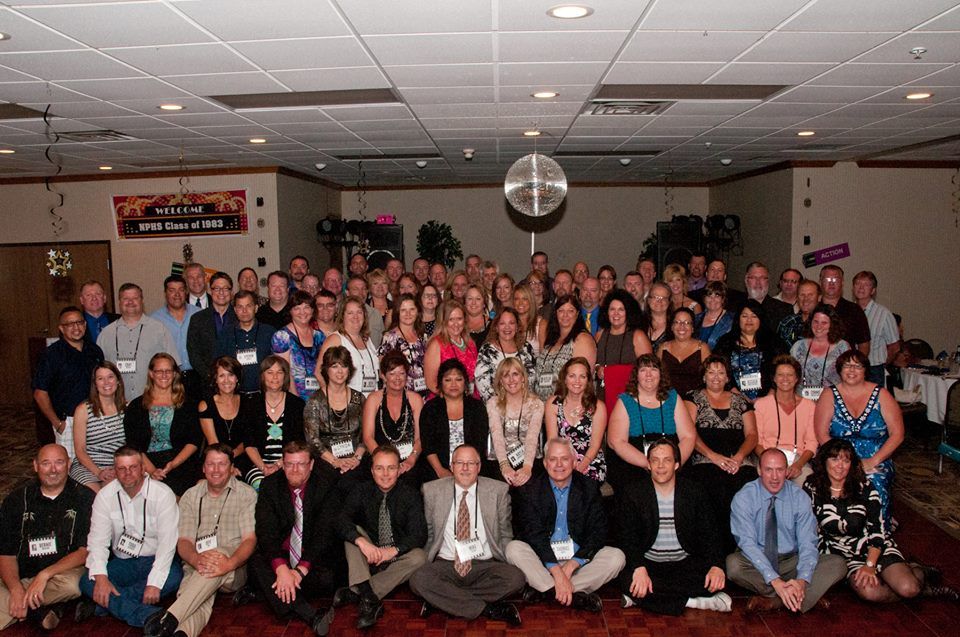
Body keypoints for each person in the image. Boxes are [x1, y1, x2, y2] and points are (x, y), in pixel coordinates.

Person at [803, 439, 958, 603]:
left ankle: (918, 572)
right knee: (871, 593)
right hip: (841, 553)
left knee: (909, 588)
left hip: (873, 546)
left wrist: (870, 565)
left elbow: (878, 529)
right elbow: (807, 526)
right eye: (834, 459)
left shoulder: (865, 486)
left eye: (846, 460)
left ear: (852, 464)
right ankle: (926, 589)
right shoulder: (812, 486)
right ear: (824, 461)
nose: (840, 465)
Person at [147, 444, 257, 637]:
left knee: (217, 557)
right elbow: (184, 541)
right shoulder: (190, 496)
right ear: (203, 468)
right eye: (211, 464)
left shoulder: (246, 494)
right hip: (195, 565)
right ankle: (182, 633)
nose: (216, 470)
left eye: (222, 464)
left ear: (231, 468)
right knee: (200, 596)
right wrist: (196, 560)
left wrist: (228, 563)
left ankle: (171, 616)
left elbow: (249, 540)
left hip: (233, 569)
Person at [408, 444, 525, 625]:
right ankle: (487, 609)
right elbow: (430, 533)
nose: (465, 468)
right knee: (418, 580)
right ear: (451, 466)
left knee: (516, 579)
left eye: (471, 463)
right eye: (460, 462)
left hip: (484, 564)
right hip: (446, 563)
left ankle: (444, 600)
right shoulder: (432, 491)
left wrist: (503, 560)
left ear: (479, 467)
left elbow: (505, 533)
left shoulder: (498, 491)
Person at [506, 438, 625, 612]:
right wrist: (555, 570)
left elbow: (598, 532)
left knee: (616, 557)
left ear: (574, 461)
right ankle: (572, 594)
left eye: (565, 458)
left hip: (577, 562)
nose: (559, 464)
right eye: (553, 459)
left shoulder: (589, 487)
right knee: (513, 549)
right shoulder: (530, 489)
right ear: (545, 463)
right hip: (543, 560)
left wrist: (570, 567)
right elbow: (533, 535)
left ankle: (548, 591)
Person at [617, 439, 731, 615]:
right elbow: (627, 537)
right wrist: (639, 568)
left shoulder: (694, 492)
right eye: (655, 460)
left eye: (667, 460)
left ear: (677, 464)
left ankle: (644, 598)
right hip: (650, 564)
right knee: (626, 580)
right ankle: (694, 603)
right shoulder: (634, 493)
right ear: (648, 464)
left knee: (714, 579)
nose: (660, 466)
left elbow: (710, 532)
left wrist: (717, 565)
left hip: (684, 564)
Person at [726, 448, 847, 613]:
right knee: (733, 565)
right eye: (769, 470)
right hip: (758, 560)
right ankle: (801, 597)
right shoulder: (744, 497)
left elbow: (808, 543)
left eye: (780, 470)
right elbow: (747, 544)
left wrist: (802, 580)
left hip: (791, 561)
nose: (775, 477)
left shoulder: (799, 497)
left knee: (837, 564)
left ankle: (778, 601)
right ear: (759, 470)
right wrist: (775, 581)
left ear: (786, 470)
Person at [79, 447, 182, 628]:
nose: (128, 473)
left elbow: (167, 545)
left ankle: (103, 604)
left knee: (174, 576)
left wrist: (154, 583)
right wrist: (102, 580)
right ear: (115, 470)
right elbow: (97, 541)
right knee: (88, 580)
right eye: (122, 468)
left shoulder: (163, 494)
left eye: (133, 467)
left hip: (155, 560)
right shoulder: (104, 496)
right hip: (124, 562)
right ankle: (147, 615)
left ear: (143, 468)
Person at [245, 441, 336, 636]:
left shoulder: (326, 484)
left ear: (311, 464)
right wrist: (282, 569)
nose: (294, 470)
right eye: (289, 464)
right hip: (282, 555)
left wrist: (300, 571)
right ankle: (309, 613)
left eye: (301, 464)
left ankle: (269, 595)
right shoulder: (270, 485)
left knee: (329, 578)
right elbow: (265, 531)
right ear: (283, 464)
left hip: (310, 558)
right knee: (255, 562)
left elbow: (324, 533)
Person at [333, 445, 428, 629]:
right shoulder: (360, 490)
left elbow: (419, 534)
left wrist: (393, 551)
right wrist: (363, 543)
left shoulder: (411, 494)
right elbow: (340, 520)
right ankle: (370, 600)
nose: (385, 474)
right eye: (379, 468)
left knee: (420, 557)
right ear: (371, 470)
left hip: (395, 555)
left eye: (391, 468)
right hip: (370, 553)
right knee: (353, 534)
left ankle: (359, 591)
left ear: (399, 470)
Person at [0, 444, 94, 631]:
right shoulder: (16, 500)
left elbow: (85, 552)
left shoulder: (85, 498)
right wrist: (16, 588)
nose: (53, 470)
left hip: (58, 577)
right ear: (35, 466)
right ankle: (35, 609)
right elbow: (6, 553)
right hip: (20, 573)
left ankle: (20, 605)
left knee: (75, 585)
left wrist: (44, 575)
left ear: (69, 464)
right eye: (46, 463)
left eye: (59, 463)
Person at [814, 349, 904, 526]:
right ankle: (837, 529)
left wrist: (873, 461)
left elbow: (898, 434)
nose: (851, 370)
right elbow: (821, 433)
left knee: (875, 482)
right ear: (839, 370)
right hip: (837, 456)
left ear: (865, 370)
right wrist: (843, 459)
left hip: (875, 458)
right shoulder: (828, 394)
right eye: (847, 365)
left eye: (857, 366)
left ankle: (878, 533)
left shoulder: (882, 395)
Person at [684, 355, 758, 551]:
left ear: (727, 378)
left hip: (739, 461)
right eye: (711, 372)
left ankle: (744, 548)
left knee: (746, 484)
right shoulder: (692, 397)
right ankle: (716, 548)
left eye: (721, 373)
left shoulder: (741, 401)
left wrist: (739, 458)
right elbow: (689, 433)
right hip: (705, 460)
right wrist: (713, 456)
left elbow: (752, 435)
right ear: (704, 376)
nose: (716, 377)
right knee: (715, 486)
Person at [606, 354, 696, 492]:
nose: (648, 374)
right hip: (635, 462)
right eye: (643, 370)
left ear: (661, 374)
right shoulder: (625, 400)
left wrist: (672, 463)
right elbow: (616, 441)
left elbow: (688, 437)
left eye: (653, 369)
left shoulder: (673, 397)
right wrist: (650, 464)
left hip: (672, 459)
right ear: (636, 376)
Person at [123, 353, 201, 497]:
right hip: (145, 464)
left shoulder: (188, 404)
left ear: (175, 374)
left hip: (180, 463)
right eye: (159, 371)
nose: (164, 375)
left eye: (168, 371)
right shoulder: (136, 406)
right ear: (151, 374)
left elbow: (194, 441)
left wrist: (172, 465)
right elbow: (133, 444)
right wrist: (152, 470)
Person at [33, 305, 104, 456]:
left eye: (79, 322)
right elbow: (40, 393)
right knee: (70, 467)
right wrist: (57, 424)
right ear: (61, 328)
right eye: (70, 324)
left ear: (85, 324)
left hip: (96, 418)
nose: (76, 328)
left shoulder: (95, 350)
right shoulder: (51, 355)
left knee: (98, 462)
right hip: (68, 422)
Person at [97, 282, 177, 401]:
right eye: (126, 298)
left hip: (152, 400)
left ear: (142, 301)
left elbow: (173, 367)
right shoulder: (106, 334)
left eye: (135, 298)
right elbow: (99, 372)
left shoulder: (160, 330)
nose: (130, 302)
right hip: (117, 402)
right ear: (119, 302)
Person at [241, 356, 305, 490]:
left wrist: (278, 465)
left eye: (279, 372)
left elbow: (298, 442)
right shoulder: (251, 404)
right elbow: (249, 444)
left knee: (286, 486)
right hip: (257, 464)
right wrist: (263, 467)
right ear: (262, 376)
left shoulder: (297, 405)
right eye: (269, 372)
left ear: (285, 376)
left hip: (289, 462)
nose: (274, 377)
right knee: (261, 485)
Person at [304, 346, 366, 482]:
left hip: (356, 459)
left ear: (349, 370)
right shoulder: (315, 401)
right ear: (326, 369)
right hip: (326, 461)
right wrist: (335, 461)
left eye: (344, 366)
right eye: (334, 366)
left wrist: (356, 458)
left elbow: (366, 436)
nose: (340, 371)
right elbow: (312, 440)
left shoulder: (359, 399)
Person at [361, 351, 425, 483]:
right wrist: (386, 463)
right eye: (392, 373)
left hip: (409, 459)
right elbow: (368, 437)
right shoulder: (374, 399)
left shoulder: (415, 399)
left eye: (402, 373)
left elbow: (420, 437)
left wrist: (411, 459)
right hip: (380, 459)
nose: (397, 378)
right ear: (383, 376)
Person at [753, 355, 818, 485]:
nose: (785, 379)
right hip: (767, 457)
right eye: (780, 375)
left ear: (796, 379)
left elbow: (811, 443)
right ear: (774, 379)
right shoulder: (761, 405)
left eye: (790, 375)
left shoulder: (809, 406)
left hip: (797, 459)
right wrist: (772, 461)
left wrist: (799, 465)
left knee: (806, 481)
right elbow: (756, 442)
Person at [421, 358, 490, 480]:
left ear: (465, 383)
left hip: (472, 469)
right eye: (448, 380)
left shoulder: (476, 407)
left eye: (458, 379)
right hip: (437, 471)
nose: (453, 384)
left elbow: (480, 443)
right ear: (440, 383)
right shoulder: (431, 408)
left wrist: (467, 469)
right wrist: (440, 470)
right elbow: (428, 445)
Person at [545, 357, 608, 483]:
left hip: (589, 461)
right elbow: (552, 442)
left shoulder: (598, 406)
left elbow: (595, 445)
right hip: (560, 461)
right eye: (572, 376)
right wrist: (564, 466)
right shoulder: (553, 404)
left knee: (580, 488)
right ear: (565, 379)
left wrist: (580, 467)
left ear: (588, 380)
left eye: (582, 376)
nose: (577, 381)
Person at [487, 357, 545, 487]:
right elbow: (497, 436)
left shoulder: (537, 404)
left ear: (523, 377)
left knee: (529, 487)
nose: (511, 380)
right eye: (506, 375)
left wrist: (527, 467)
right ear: (501, 381)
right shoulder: (493, 403)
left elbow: (532, 437)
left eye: (515, 374)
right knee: (501, 486)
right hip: (500, 459)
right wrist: (504, 466)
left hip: (530, 459)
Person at [70, 362, 127, 491]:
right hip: (87, 466)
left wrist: (117, 468)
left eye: (110, 377)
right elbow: (80, 450)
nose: (106, 382)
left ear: (118, 381)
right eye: (100, 379)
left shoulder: (127, 409)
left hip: (116, 467)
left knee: (112, 495)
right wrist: (98, 472)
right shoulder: (83, 410)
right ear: (95, 384)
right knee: (94, 497)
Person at [713, 299, 786, 401]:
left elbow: (784, 370)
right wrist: (737, 395)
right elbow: (718, 370)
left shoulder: (774, 342)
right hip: (732, 399)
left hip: (770, 398)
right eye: (744, 316)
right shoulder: (725, 342)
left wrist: (769, 395)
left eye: (754, 316)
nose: (749, 320)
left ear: (761, 319)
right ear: (738, 319)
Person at [595, 289, 652, 415]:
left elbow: (649, 371)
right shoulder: (600, 335)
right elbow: (594, 364)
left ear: (628, 312)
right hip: (602, 397)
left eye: (621, 309)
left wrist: (616, 372)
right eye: (612, 309)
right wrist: (598, 369)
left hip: (631, 400)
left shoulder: (638, 336)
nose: (616, 313)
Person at [534, 294, 596, 401]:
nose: (565, 315)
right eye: (561, 310)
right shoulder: (551, 340)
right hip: (542, 407)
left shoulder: (582, 339)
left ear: (577, 314)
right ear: (556, 313)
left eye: (570, 311)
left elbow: (583, 380)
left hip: (568, 406)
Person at [186, 272, 237, 398]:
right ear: (210, 290)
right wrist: (212, 376)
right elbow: (193, 353)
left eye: (226, 288)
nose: (221, 292)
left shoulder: (240, 316)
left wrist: (233, 375)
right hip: (207, 383)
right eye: (217, 288)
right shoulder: (197, 319)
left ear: (231, 291)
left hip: (236, 382)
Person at [318, 296, 380, 397]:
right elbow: (319, 373)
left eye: (359, 312)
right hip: (347, 404)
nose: (355, 317)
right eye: (350, 313)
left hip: (371, 402)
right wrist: (335, 400)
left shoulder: (367, 339)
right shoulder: (335, 339)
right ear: (342, 316)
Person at [216, 290, 276, 393]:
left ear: (256, 308)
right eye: (240, 307)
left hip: (265, 394)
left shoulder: (269, 332)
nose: (244, 311)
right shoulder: (225, 334)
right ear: (235, 310)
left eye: (248, 306)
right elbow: (218, 365)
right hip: (235, 395)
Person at [198, 357, 251, 474]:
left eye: (231, 375)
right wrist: (227, 465)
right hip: (215, 459)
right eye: (221, 376)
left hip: (243, 457)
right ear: (215, 379)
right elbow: (213, 442)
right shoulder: (206, 405)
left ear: (237, 378)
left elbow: (249, 439)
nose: (226, 380)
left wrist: (233, 458)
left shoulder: (248, 402)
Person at [271, 289, 325, 401]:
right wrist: (295, 401)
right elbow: (284, 373)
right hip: (293, 397)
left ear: (313, 310)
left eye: (306, 307)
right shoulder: (282, 337)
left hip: (319, 398)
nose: (302, 312)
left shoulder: (320, 337)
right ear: (290, 311)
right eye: (297, 308)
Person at [151, 275, 200, 398]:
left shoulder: (199, 314)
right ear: (165, 293)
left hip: (197, 377)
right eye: (172, 290)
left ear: (186, 292)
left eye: (181, 290)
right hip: (169, 378)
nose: (177, 294)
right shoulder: (154, 319)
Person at [475, 307, 536, 403]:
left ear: (517, 326)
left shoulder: (527, 348)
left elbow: (533, 381)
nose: (507, 327)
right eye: (502, 323)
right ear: (496, 327)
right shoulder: (487, 350)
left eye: (511, 323)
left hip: (525, 407)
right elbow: (482, 384)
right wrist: (504, 405)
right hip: (497, 409)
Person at [789, 304, 850, 400]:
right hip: (801, 401)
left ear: (832, 324)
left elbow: (849, 378)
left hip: (832, 401)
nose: (818, 326)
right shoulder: (798, 346)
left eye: (824, 323)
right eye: (815, 322)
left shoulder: (843, 347)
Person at [424, 299, 479, 398]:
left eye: (459, 318)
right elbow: (431, 383)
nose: (456, 324)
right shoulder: (436, 345)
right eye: (451, 319)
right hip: (444, 401)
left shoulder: (470, 343)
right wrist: (453, 399)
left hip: (470, 400)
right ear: (443, 321)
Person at [852, 271, 900, 386]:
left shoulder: (884, 314)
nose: (861, 287)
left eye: (866, 284)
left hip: (874, 370)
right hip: (851, 368)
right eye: (858, 283)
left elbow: (895, 347)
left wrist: (882, 364)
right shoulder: (849, 311)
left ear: (873, 290)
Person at [377, 293, 428, 396]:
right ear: (397, 313)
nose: (408, 314)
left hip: (424, 393)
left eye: (412, 309)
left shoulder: (423, 336)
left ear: (417, 311)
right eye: (403, 310)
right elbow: (382, 372)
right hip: (400, 395)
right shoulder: (390, 338)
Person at [658, 307, 711, 397]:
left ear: (693, 328)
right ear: (671, 327)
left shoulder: (702, 348)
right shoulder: (663, 348)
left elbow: (710, 377)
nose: (682, 326)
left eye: (687, 322)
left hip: (696, 400)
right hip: (668, 398)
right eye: (677, 322)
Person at [819, 265, 870, 356]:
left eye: (835, 279)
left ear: (842, 282)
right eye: (827, 279)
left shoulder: (854, 310)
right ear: (820, 282)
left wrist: (856, 365)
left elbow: (864, 344)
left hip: (846, 365)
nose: (831, 283)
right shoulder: (814, 309)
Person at [743, 262, 792, 333]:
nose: (758, 282)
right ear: (746, 281)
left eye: (762, 278)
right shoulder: (735, 308)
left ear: (768, 281)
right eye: (753, 278)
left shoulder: (784, 310)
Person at [778, 279, 821, 347]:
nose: (806, 299)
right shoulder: (788, 323)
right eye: (802, 295)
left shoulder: (826, 324)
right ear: (797, 298)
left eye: (810, 295)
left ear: (819, 297)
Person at [346, 275, 385, 349]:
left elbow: (382, 344)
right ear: (347, 292)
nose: (360, 293)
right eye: (356, 289)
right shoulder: (341, 314)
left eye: (363, 289)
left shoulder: (376, 314)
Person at [695, 281, 734, 350]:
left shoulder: (731, 320)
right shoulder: (696, 319)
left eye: (717, 295)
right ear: (704, 299)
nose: (712, 299)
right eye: (709, 295)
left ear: (723, 299)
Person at [79, 280, 118, 345]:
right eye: (88, 295)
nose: (94, 298)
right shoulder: (74, 325)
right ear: (82, 300)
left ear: (104, 298)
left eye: (98, 294)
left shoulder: (119, 320)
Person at [513, 283, 542, 354]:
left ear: (531, 300)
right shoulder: (509, 323)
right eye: (517, 299)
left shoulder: (541, 324)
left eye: (524, 299)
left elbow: (544, 354)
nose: (520, 303)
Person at [644, 281, 672, 351]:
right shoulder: (639, 323)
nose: (659, 301)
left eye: (664, 298)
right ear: (648, 300)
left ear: (669, 302)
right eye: (655, 297)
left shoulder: (675, 326)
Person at [464, 284, 491, 348]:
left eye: (478, 299)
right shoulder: (457, 324)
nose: (473, 302)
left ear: (484, 303)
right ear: (464, 302)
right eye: (470, 298)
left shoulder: (493, 325)